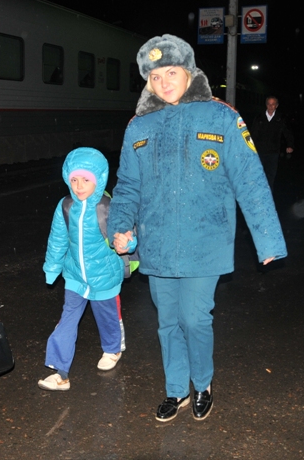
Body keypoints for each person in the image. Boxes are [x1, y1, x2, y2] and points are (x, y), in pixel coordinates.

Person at [109, 34, 287, 422]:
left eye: (171, 73)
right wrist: (119, 227)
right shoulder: (139, 126)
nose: (163, 83)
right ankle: (176, 390)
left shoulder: (222, 117)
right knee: (167, 322)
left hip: (207, 239)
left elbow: (250, 179)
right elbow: (128, 185)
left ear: (189, 72)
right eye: (155, 77)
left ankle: (202, 383)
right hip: (157, 241)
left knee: (194, 318)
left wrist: (268, 240)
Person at [39, 147, 134, 391]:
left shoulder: (107, 206)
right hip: (75, 277)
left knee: (107, 317)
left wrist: (128, 243)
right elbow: (58, 238)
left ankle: (112, 349)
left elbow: (127, 233)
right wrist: (52, 267)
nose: (79, 186)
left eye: (86, 180)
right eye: (74, 180)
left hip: (104, 277)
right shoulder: (66, 206)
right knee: (67, 320)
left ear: (98, 179)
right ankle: (60, 372)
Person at [250, 96, 294, 189]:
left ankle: (268, 194)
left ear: (276, 106)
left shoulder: (280, 118)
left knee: (271, 175)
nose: (271, 106)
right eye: (269, 104)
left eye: (273, 104)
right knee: (258, 174)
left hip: (273, 152)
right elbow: (253, 133)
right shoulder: (259, 117)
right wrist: (250, 148)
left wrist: (290, 145)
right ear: (266, 105)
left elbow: (287, 132)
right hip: (260, 151)